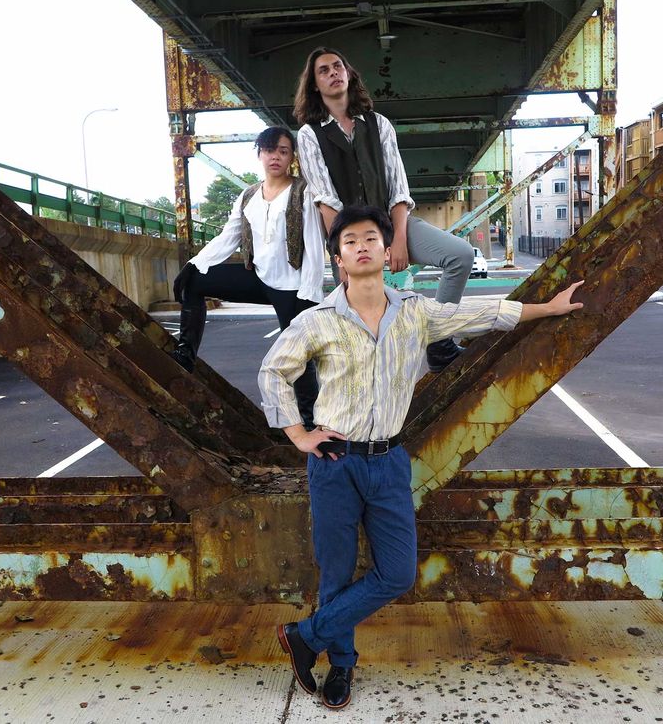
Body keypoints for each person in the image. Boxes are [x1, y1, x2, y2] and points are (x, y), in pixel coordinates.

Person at [258, 205, 584, 709]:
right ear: (338, 259)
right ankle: (340, 667)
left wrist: (548, 309)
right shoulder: (317, 321)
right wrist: (298, 434)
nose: (362, 245)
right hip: (333, 463)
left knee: (397, 573)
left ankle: (305, 637)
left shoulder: (415, 311)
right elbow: (272, 371)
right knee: (337, 570)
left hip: (388, 461)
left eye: (371, 238)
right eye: (350, 241)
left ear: (388, 254)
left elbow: (483, 313)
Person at [294, 46, 477, 372]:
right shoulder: (310, 135)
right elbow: (325, 201)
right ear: (315, 85)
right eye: (324, 70)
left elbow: (398, 188)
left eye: (338, 66)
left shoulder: (379, 124)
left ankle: (438, 342)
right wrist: (345, 252)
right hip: (351, 237)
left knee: (460, 255)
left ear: (349, 74)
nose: (333, 73)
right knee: (362, 330)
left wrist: (400, 240)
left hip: (391, 223)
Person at [172, 126, 323, 427]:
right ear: (259, 154)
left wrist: (309, 293)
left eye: (283, 151)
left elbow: (314, 245)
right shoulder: (248, 195)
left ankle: (310, 422)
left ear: (292, 156)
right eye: (269, 150)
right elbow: (229, 237)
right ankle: (186, 353)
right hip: (258, 277)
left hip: (292, 285)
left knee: (300, 357)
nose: (275, 157)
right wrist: (194, 264)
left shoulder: (303, 192)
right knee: (195, 281)